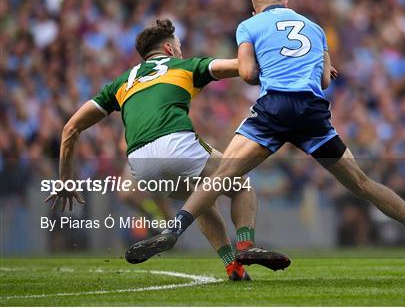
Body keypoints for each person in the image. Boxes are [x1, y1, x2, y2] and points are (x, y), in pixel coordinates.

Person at [131, 0, 405, 267]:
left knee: (223, 176)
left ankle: (173, 231)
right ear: (286, 3)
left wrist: (266, 65)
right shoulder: (315, 28)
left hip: (275, 107)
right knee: (362, 183)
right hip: (312, 113)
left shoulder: (249, 26)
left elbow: (246, 74)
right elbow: (326, 80)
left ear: (256, 9)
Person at [45, 18, 290, 280]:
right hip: (176, 146)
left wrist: (65, 180)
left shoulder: (120, 83)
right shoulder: (183, 66)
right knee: (240, 185)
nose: (181, 51)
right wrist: (289, 62)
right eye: (179, 46)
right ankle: (245, 246)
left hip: (140, 166)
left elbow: (70, 129)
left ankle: (232, 267)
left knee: (202, 198)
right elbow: (244, 68)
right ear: (169, 49)